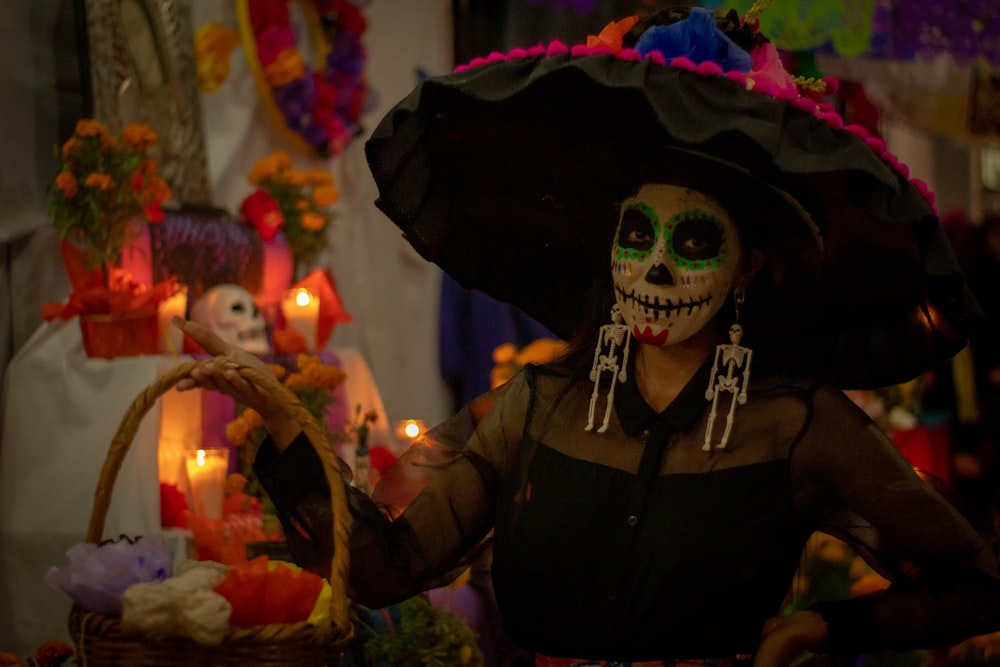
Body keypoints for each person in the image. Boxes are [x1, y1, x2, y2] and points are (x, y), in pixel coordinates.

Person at [174, 6, 1000, 666]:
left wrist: (818, 630)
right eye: (636, 233)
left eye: (695, 241)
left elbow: (975, 581)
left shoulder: (796, 424)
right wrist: (284, 425)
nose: (656, 267)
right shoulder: (534, 405)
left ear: (746, 269)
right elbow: (386, 567)